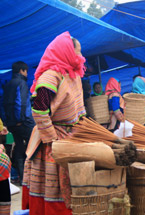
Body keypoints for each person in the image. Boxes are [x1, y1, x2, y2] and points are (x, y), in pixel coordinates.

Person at [22, 32, 86, 215]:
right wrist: (52, 139)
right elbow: (39, 109)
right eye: (77, 52)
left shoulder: (73, 76)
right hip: (51, 141)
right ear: (66, 52)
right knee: (52, 187)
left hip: (70, 137)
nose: (80, 57)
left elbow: (79, 109)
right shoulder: (51, 77)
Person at [3, 61, 35, 184]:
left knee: (19, 148)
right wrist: (20, 120)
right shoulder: (21, 83)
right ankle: (34, 176)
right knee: (35, 144)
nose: (27, 74)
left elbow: (4, 104)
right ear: (22, 71)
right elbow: (21, 103)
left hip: (11, 123)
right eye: (26, 71)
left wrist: (8, 121)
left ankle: (23, 178)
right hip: (23, 121)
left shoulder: (7, 84)